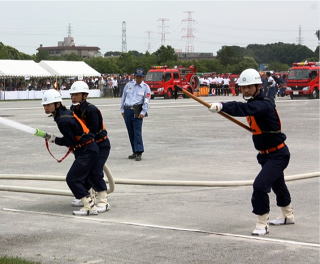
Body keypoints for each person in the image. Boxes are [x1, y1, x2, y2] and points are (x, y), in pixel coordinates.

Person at [208, 68, 294, 236]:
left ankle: (262, 224)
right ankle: (288, 215)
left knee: (260, 186)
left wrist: (222, 106)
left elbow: (242, 109)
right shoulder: (255, 103)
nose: (245, 90)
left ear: (257, 87)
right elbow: (247, 109)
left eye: (249, 87)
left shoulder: (264, 104)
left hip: (278, 154)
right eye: (243, 87)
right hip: (265, 155)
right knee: (278, 184)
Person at [41, 89, 100, 216]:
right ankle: (89, 203)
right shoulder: (63, 114)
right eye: (44, 105)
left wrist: (54, 139)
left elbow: (69, 141)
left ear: (57, 104)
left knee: (72, 179)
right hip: (88, 149)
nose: (45, 107)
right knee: (82, 177)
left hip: (86, 151)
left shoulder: (62, 120)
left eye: (48, 104)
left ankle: (89, 206)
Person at [69, 81, 111, 213]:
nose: (73, 97)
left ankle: (103, 201)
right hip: (85, 146)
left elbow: (92, 131)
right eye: (72, 94)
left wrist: (80, 141)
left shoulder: (91, 110)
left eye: (76, 94)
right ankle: (86, 195)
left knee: (95, 171)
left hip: (100, 145)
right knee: (83, 170)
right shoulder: (73, 109)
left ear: (84, 95)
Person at [120, 68, 151, 161]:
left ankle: (139, 152)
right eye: (137, 76)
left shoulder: (146, 87)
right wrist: (122, 109)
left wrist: (143, 111)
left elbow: (146, 100)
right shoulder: (129, 85)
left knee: (137, 132)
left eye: (140, 77)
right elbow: (123, 97)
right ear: (134, 76)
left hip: (137, 110)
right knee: (130, 132)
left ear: (143, 77)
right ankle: (134, 151)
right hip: (127, 110)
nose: (138, 78)